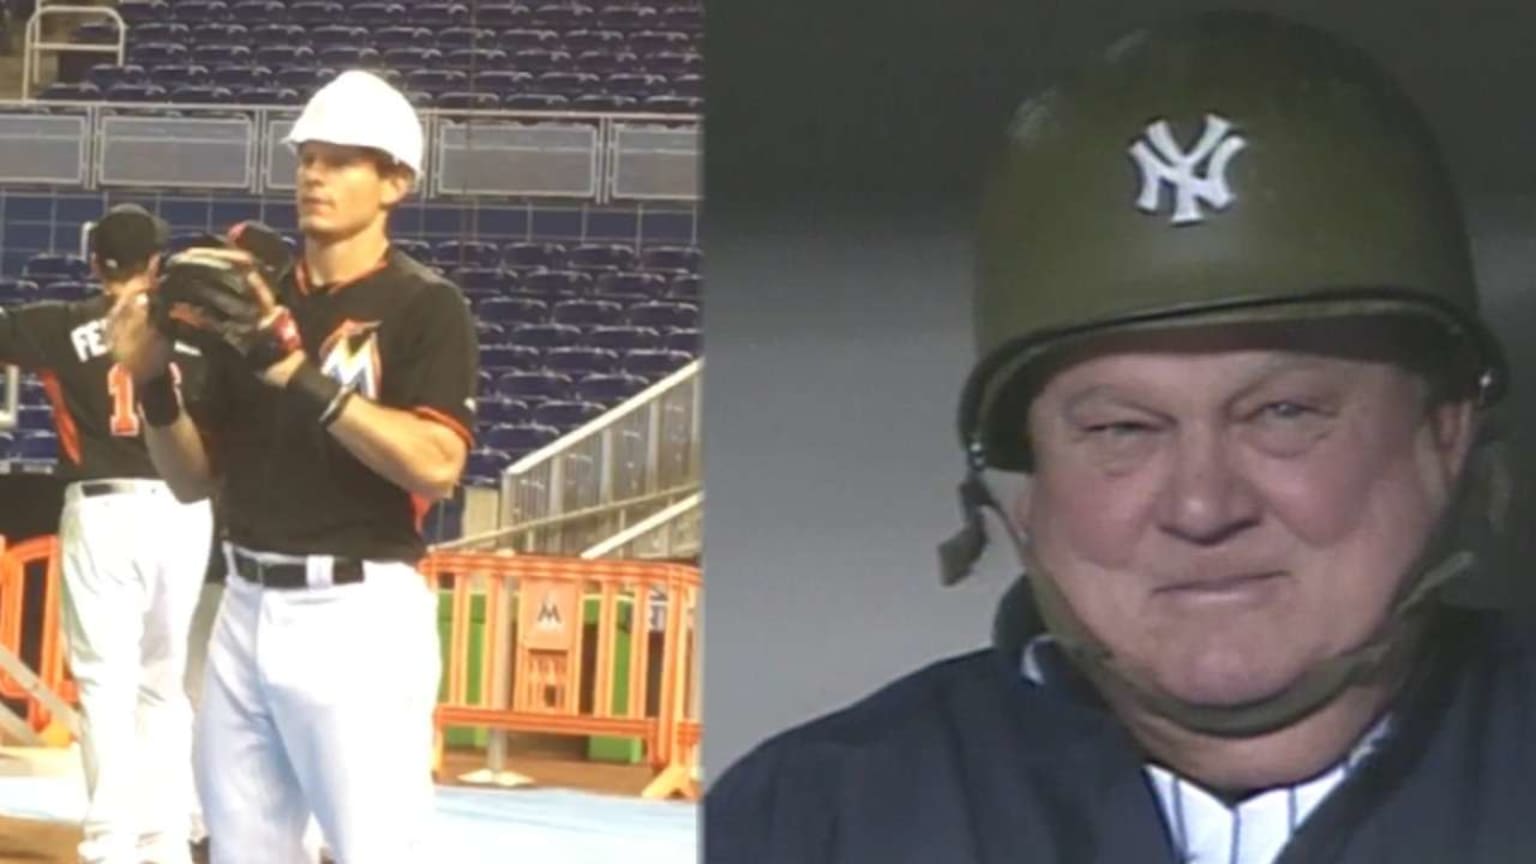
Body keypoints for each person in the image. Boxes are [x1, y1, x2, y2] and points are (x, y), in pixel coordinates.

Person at [704, 11, 1536, 864]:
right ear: (1024, 490)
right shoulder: (810, 823)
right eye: (1121, 429)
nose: (1202, 507)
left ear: (1447, 434)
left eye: (1283, 413)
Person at [108, 68, 478, 864]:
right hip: (245, 602)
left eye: (344, 159)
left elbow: (437, 465)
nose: (315, 173)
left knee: (376, 851)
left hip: (359, 612)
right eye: (309, 155)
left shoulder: (425, 306)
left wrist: (296, 372)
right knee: (242, 852)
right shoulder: (254, 299)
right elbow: (189, 479)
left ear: (396, 182)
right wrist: (150, 384)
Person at [0, 204, 213, 864]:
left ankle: (111, 843)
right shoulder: (192, 329)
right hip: (181, 504)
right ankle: (167, 839)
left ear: (95, 262)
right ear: (157, 263)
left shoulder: (63, 325)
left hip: (101, 507)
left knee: (105, 687)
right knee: (165, 683)